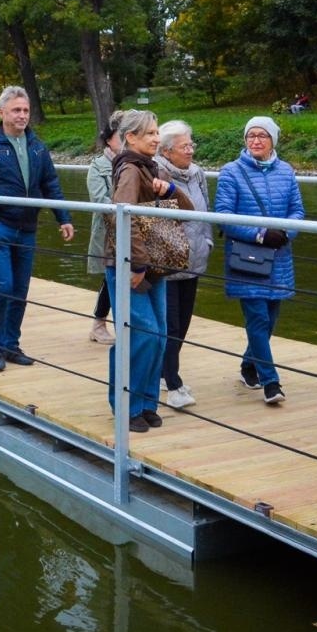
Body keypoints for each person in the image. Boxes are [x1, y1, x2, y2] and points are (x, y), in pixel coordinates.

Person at [0, 85, 75, 371]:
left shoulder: (36, 146)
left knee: (21, 289)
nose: (22, 115)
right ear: (2, 112)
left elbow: (50, 183)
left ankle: (12, 344)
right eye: (16, 110)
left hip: (27, 227)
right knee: (3, 285)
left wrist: (63, 217)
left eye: (25, 110)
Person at [103, 109, 192, 431]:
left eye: (157, 132)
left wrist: (170, 192)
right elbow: (120, 216)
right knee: (142, 335)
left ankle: (146, 402)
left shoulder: (153, 169)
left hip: (154, 266)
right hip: (132, 267)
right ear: (131, 138)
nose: (157, 138)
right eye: (150, 133)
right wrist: (136, 263)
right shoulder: (129, 170)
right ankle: (126, 406)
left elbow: (188, 212)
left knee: (158, 336)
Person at [215, 116, 305, 405]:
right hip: (249, 257)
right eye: (250, 135)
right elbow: (223, 217)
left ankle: (248, 366)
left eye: (262, 136)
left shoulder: (286, 171)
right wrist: (260, 235)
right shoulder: (231, 172)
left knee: (270, 321)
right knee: (257, 318)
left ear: (273, 140)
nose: (255, 140)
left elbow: (297, 211)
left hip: (279, 257)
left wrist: (286, 233)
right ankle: (271, 382)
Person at [156, 120, 211, 411]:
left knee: (185, 321)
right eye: (184, 146)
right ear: (166, 151)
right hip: (168, 262)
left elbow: (206, 210)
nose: (190, 150)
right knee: (170, 324)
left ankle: (166, 373)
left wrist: (208, 242)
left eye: (192, 144)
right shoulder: (157, 174)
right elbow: (160, 222)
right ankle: (173, 385)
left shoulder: (197, 173)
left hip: (195, 257)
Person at [83, 116, 123, 345]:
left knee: (121, 277)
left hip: (132, 231)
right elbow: (99, 198)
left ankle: (118, 325)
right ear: (109, 140)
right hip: (109, 231)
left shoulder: (133, 163)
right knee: (110, 278)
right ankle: (98, 324)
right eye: (120, 137)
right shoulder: (98, 166)